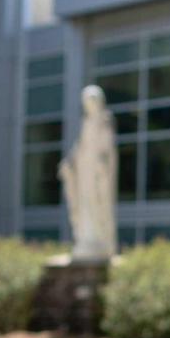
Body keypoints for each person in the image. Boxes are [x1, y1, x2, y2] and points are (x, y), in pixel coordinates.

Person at [58, 84, 118, 260]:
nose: (89, 104)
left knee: (97, 204)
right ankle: (85, 238)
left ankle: (100, 240)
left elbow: (107, 149)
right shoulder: (86, 122)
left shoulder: (105, 121)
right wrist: (69, 163)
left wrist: (102, 163)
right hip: (85, 172)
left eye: (93, 100)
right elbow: (81, 148)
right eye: (87, 101)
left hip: (97, 174)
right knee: (84, 204)